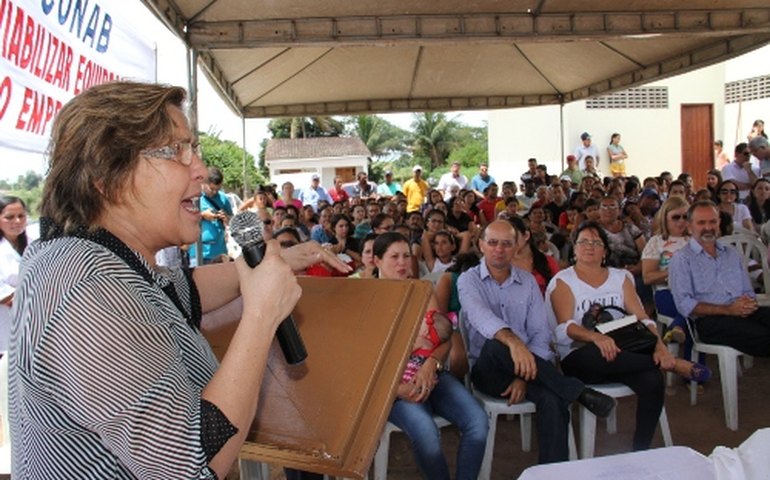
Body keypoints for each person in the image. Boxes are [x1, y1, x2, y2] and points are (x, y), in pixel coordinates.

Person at [9, 81, 350, 479]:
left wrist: (278, 262)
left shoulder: (98, 258)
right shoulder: (83, 286)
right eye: (176, 151)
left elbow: (180, 291)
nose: (202, 170)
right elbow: (189, 465)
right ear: (107, 176)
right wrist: (261, 316)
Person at [459, 221, 618, 464]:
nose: (499, 249)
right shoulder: (468, 281)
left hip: (532, 370)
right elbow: (481, 318)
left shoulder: (528, 282)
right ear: (481, 245)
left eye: (506, 244)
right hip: (488, 370)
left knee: (553, 400)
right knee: (496, 343)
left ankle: (552, 472)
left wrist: (524, 374)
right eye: (492, 243)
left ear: (517, 247)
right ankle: (579, 392)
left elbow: (541, 333)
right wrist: (515, 344)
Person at [546, 222, 709, 453]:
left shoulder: (620, 277)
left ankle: (640, 450)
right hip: (582, 356)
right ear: (574, 249)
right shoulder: (563, 280)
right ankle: (672, 365)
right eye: (583, 242)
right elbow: (565, 328)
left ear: (605, 251)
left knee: (653, 379)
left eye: (596, 243)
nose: (589, 247)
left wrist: (659, 346)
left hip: (627, 353)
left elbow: (643, 319)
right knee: (598, 353)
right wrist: (595, 337)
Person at [374, 232, 488, 480]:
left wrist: (431, 364)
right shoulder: (368, 299)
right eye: (394, 257)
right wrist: (397, 389)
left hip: (431, 373)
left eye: (406, 256)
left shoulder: (423, 290)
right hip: (392, 386)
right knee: (425, 432)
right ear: (376, 261)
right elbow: (366, 361)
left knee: (477, 421)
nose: (403, 263)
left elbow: (443, 339)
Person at [669, 201, 770, 357]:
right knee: (764, 336)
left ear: (719, 223)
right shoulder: (682, 258)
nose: (708, 228)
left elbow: (748, 291)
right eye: (701, 223)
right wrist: (728, 310)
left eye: (712, 221)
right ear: (689, 226)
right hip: (710, 320)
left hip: (742, 312)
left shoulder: (731, 253)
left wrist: (746, 305)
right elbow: (684, 304)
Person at [641, 196, 690, 345]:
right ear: (665, 218)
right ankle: (693, 364)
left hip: (695, 292)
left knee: (697, 309)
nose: (681, 221)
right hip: (667, 292)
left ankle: (677, 327)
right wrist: (674, 272)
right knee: (695, 310)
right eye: (676, 217)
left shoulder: (696, 240)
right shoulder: (656, 242)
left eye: (686, 217)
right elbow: (647, 277)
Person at [0, 196, 30, 351]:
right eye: (9, 217)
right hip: (6, 324)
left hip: (31, 323)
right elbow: (4, 295)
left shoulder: (35, 243)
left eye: (21, 216)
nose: (17, 221)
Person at [194, 166, 234, 265]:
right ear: (204, 183)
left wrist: (227, 218)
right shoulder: (194, 197)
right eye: (211, 189)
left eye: (218, 189)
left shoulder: (223, 199)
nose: (214, 192)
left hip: (220, 253)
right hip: (199, 253)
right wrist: (202, 215)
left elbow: (233, 220)